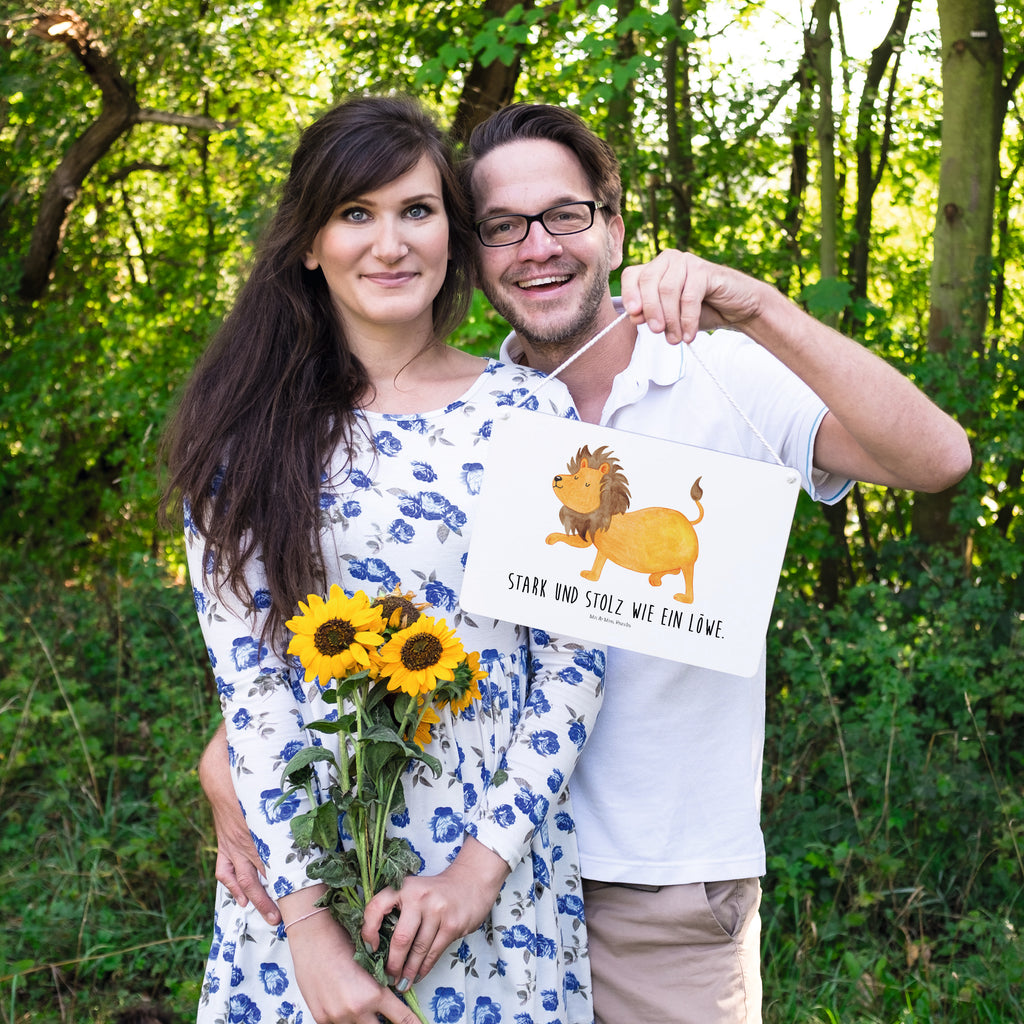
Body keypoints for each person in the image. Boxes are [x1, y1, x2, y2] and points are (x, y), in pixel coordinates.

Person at [202, 102, 972, 1024]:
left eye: (564, 215)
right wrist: (233, 756)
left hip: (651, 887)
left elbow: (938, 459)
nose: (538, 247)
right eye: (503, 226)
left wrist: (758, 305)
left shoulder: (710, 374)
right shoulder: (472, 414)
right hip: (421, 870)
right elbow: (340, 624)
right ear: (474, 248)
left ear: (614, 227)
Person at [163, 96, 608, 1024]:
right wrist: (310, 935)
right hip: (303, 877)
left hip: (492, 880)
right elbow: (253, 688)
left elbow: (574, 661)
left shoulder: (530, 413)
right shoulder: (244, 437)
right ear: (309, 243)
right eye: (355, 213)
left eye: (417, 210)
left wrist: (478, 873)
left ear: (453, 231)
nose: (391, 243)